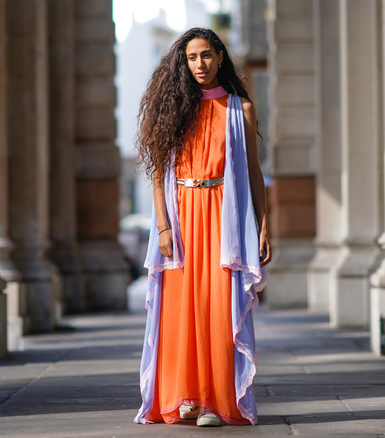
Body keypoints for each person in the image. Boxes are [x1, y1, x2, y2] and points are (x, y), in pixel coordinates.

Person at [133, 27, 271, 427]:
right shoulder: (172, 109)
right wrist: (161, 226)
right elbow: (158, 171)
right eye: (192, 57)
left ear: (220, 57)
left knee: (216, 304)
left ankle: (214, 400)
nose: (200, 64)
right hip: (181, 218)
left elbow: (253, 171)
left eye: (207, 55)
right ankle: (185, 398)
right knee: (180, 307)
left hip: (222, 216)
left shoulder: (239, 109)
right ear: (184, 62)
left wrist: (263, 225)